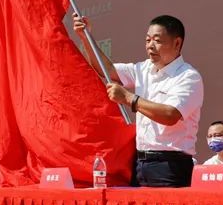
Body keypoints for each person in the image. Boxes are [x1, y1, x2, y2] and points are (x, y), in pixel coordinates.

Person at [73, 14, 204, 187]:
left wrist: (129, 98)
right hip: (140, 163)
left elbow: (170, 114)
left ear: (177, 43)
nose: (150, 46)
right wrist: (85, 37)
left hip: (170, 166)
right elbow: (108, 70)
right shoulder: (144, 69)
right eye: (148, 40)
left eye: (157, 40)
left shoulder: (188, 77)